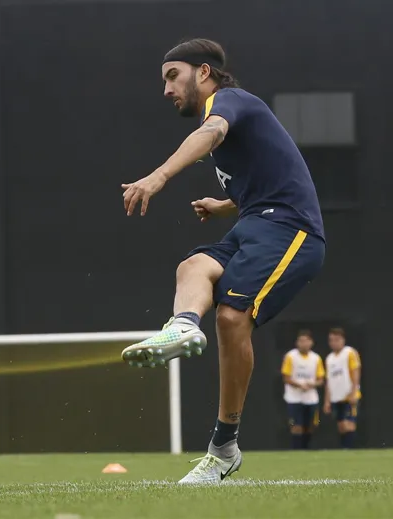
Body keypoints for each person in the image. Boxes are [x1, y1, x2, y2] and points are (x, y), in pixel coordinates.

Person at [119, 38, 325, 483]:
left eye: (173, 76)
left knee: (233, 317)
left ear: (204, 73)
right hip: (254, 222)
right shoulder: (236, 115)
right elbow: (273, 170)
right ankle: (182, 325)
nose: (167, 89)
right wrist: (225, 203)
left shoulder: (228, 102)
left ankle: (222, 447)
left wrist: (158, 177)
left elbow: (210, 133)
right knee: (192, 268)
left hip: (292, 230)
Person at [281, 330, 324, 449]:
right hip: (294, 398)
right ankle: (296, 450)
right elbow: (286, 377)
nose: (303, 344)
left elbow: (320, 379)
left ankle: (306, 449)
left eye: (306, 341)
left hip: (310, 398)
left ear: (311, 343)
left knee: (310, 426)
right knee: (296, 426)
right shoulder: (291, 356)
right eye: (301, 341)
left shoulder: (316, 358)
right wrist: (300, 385)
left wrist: (312, 384)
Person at [323, 328, 361, 448]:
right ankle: (345, 449)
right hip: (336, 397)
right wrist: (327, 401)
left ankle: (351, 450)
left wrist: (354, 392)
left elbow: (356, 372)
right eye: (331, 340)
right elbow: (329, 381)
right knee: (341, 426)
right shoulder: (329, 358)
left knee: (348, 424)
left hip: (348, 395)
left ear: (343, 340)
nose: (334, 342)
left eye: (337, 340)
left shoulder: (349, 353)